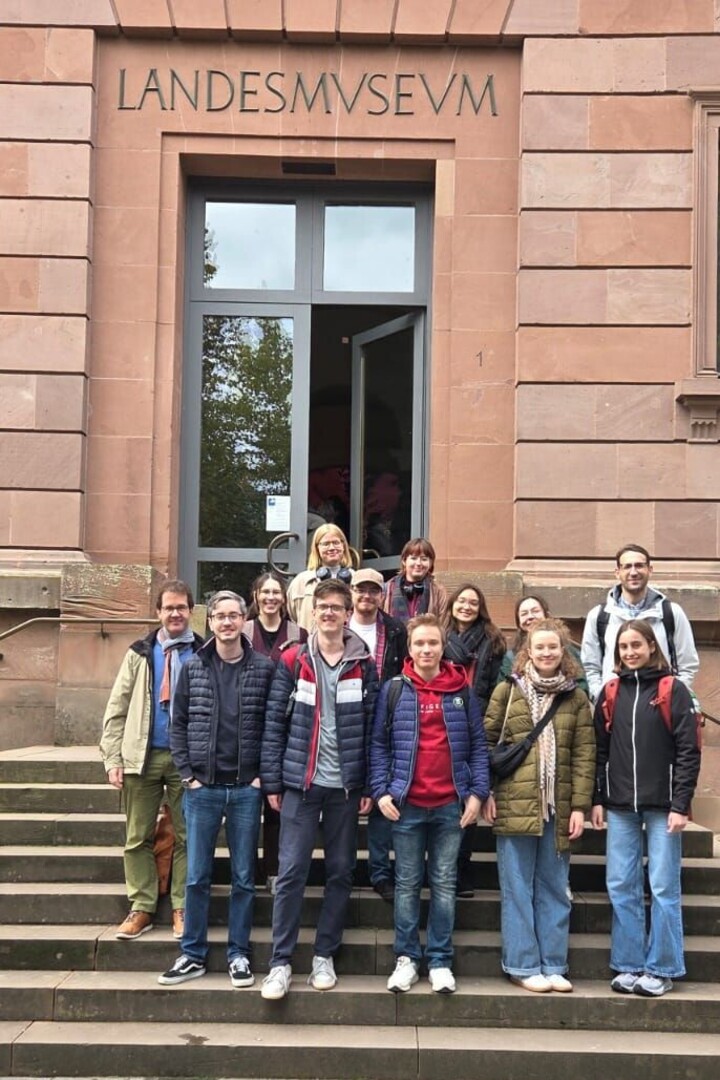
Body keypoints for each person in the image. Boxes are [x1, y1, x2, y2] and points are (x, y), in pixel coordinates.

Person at [260, 579, 379, 1000]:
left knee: (340, 871)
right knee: (291, 871)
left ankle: (324, 955)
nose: (329, 613)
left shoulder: (363, 663)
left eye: (336, 607)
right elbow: (273, 723)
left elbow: (372, 727)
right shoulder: (292, 659)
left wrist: (369, 782)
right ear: (312, 612)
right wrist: (273, 780)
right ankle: (280, 962)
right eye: (322, 606)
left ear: (348, 614)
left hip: (345, 788)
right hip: (301, 785)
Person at [157, 590, 275, 988]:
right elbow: (177, 723)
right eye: (220, 616)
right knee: (196, 877)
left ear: (244, 620)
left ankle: (238, 954)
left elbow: (273, 724)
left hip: (245, 789)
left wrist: (261, 776)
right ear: (209, 622)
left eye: (233, 615)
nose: (227, 622)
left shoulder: (263, 668)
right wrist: (187, 774)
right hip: (202, 788)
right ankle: (192, 954)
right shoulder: (193, 667)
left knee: (243, 877)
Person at [370, 613, 489, 994]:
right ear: (409, 647)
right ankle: (407, 958)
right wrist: (381, 791)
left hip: (450, 804)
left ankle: (439, 959)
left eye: (433, 643)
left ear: (443, 646)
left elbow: (478, 746)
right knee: (406, 883)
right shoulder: (394, 689)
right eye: (419, 643)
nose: (426, 649)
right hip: (407, 804)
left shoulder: (461, 690)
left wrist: (477, 793)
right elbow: (379, 745)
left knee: (444, 882)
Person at [483, 618, 595, 993]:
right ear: (527, 652)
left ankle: (554, 963)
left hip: (557, 806)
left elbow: (584, 755)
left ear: (564, 652)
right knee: (517, 888)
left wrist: (579, 806)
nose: (546, 653)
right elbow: (486, 744)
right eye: (539, 647)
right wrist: (487, 793)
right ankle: (522, 964)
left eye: (553, 647)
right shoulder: (507, 691)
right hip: (514, 801)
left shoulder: (575, 698)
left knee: (554, 886)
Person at [590, 619, 701, 998]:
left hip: (663, 806)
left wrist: (681, 804)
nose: (630, 652)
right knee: (621, 884)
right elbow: (599, 750)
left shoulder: (673, 689)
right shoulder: (611, 692)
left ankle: (662, 968)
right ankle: (629, 964)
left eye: (636, 644)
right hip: (620, 805)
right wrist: (598, 798)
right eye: (624, 647)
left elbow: (689, 750)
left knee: (663, 886)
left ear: (652, 646)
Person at [100, 579, 203, 941]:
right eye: (168, 607)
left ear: (191, 611)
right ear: (158, 612)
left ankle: (181, 905)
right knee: (137, 836)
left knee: (188, 837)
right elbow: (117, 707)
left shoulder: (204, 652)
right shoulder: (140, 653)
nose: (175, 614)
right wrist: (112, 757)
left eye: (181, 607)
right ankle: (141, 906)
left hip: (186, 760)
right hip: (141, 757)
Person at [244, 572, 308, 894]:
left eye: (276, 592)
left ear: (284, 598)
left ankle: (273, 870)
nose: (270, 597)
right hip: (246, 724)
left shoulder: (299, 633)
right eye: (265, 592)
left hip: (284, 725)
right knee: (246, 810)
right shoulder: (243, 631)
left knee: (276, 806)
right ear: (256, 596)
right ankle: (246, 873)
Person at [348, 566, 408, 902]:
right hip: (346, 719)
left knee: (382, 796)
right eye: (361, 589)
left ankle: (381, 873)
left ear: (382, 595)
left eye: (373, 590)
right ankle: (342, 870)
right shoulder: (340, 626)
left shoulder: (395, 630)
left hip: (385, 719)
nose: (367, 596)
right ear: (352, 593)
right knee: (346, 800)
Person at [443, 582, 506, 897]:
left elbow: (495, 687)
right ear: (452, 604)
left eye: (473, 603)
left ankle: (460, 868)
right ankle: (440, 868)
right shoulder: (440, 637)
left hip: (476, 724)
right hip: (441, 724)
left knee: (467, 798)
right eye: (461, 601)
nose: (466, 607)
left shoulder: (493, 641)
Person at [581, 543, 699, 703]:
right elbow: (590, 666)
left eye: (639, 566)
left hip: (660, 707)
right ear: (617, 572)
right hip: (615, 708)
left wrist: (672, 699)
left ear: (650, 570)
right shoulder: (599, 616)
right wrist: (602, 698)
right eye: (627, 566)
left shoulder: (671, 613)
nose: (633, 572)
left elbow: (687, 665)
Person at [498, 594, 588, 695]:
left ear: (547, 615)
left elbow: (581, 687)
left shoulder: (568, 651)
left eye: (535, 611)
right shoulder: (511, 657)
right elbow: (503, 694)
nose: (530, 617)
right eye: (524, 614)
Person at [286, 523, 355, 632]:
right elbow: (292, 615)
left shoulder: (356, 580)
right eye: (326, 544)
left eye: (336, 542)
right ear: (317, 548)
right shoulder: (301, 581)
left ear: (343, 545)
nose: (331, 548)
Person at [383, 537, 447, 624]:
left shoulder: (438, 591)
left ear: (431, 563)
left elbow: (443, 624)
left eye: (424, 559)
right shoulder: (387, 588)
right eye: (413, 558)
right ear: (404, 561)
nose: (418, 563)